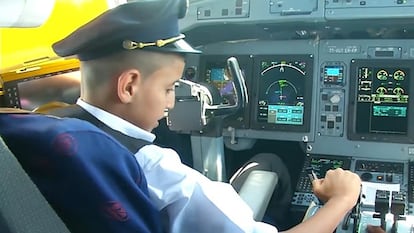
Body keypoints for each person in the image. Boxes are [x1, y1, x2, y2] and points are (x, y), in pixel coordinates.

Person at [45, 0, 361, 232]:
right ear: (128, 86)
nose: (171, 102)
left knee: (268, 164)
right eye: (169, 88)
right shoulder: (155, 168)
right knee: (270, 167)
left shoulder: (45, 127)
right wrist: (342, 200)